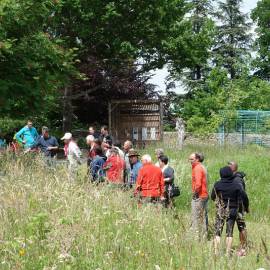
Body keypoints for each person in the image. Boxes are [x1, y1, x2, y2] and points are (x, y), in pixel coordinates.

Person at [211, 166, 249, 256]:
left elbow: (213, 196)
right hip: (233, 210)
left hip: (221, 209)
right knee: (229, 232)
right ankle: (227, 253)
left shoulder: (217, 184)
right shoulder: (236, 185)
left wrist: (219, 202)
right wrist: (246, 207)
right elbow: (244, 197)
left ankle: (216, 252)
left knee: (217, 231)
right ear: (231, 174)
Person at [228, 161, 248, 256]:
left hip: (238, 206)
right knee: (241, 226)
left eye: (229, 166)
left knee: (241, 226)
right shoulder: (235, 178)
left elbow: (243, 194)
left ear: (233, 168)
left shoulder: (237, 180)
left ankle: (243, 247)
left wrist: (245, 206)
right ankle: (243, 246)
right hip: (236, 206)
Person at [189, 152, 208, 239]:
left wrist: (195, 194)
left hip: (199, 196)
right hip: (203, 195)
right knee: (202, 216)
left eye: (192, 159)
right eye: (189, 159)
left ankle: (195, 236)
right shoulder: (201, 166)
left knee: (196, 216)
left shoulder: (197, 168)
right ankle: (203, 235)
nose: (190, 161)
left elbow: (198, 184)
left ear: (197, 159)